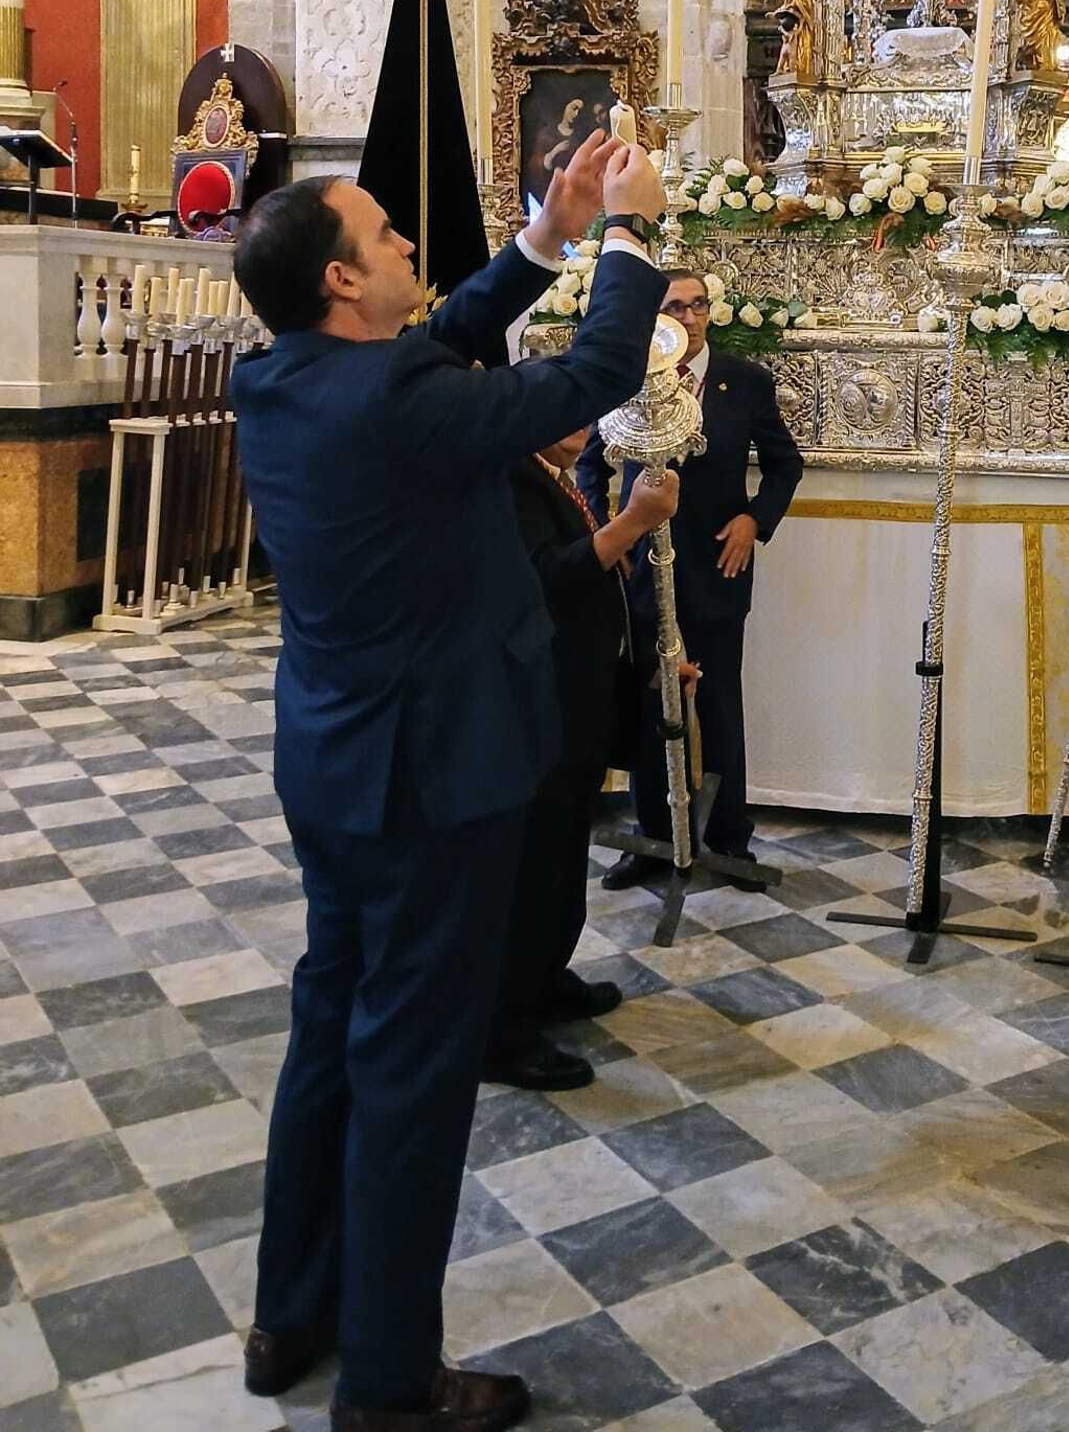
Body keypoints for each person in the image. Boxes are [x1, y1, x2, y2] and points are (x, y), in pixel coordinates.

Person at [231, 133, 666, 1432]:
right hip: (431, 780)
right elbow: (600, 368)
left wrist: (549, 234)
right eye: (385, 238)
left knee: (330, 1042)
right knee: (414, 1074)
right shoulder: (397, 404)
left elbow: (447, 337)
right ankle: (387, 1384)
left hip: (336, 766)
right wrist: (633, 235)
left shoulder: (286, 376)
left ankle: (289, 1311)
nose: (412, 244)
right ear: (342, 289)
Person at [582, 269, 803, 890]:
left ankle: (732, 840)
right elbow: (589, 465)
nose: (688, 316)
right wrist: (611, 535)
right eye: (674, 306)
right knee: (652, 704)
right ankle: (653, 839)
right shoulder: (628, 376)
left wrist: (752, 522)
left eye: (698, 304)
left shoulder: (745, 382)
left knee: (720, 705)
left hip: (717, 566)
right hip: (643, 573)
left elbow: (786, 466)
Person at [484, 429, 680, 1092]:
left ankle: (545, 976)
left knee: (567, 849)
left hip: (579, 695)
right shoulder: (514, 478)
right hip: (539, 698)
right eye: (565, 419)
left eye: (584, 420)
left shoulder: (556, 476)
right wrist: (633, 523)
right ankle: (504, 1027)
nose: (581, 433)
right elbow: (547, 577)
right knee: (533, 862)